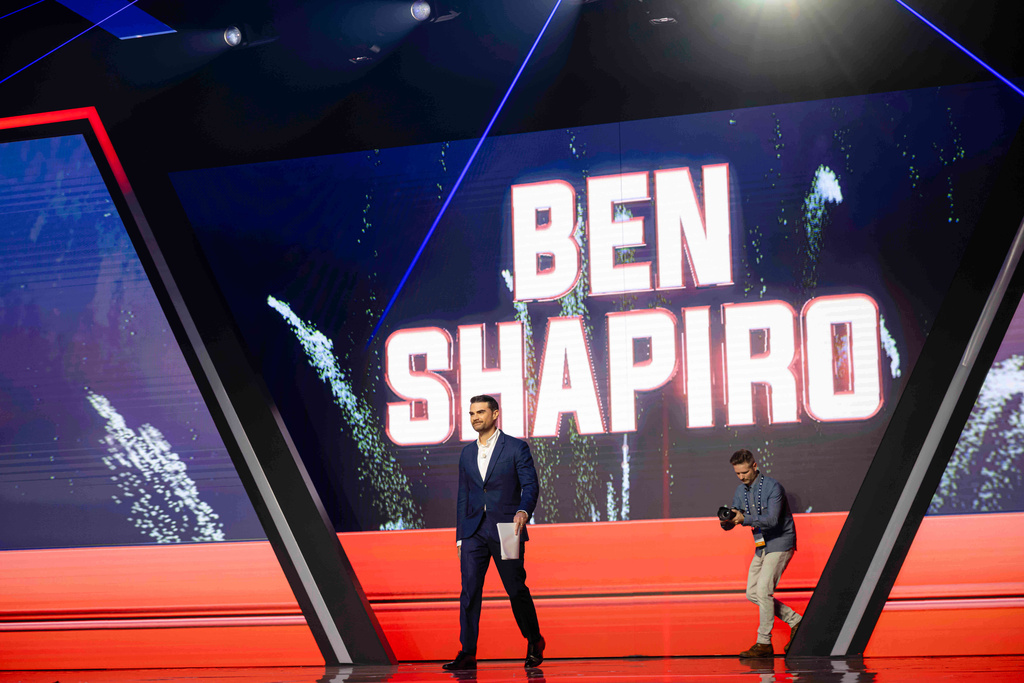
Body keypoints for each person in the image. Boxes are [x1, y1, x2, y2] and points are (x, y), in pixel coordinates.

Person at [443, 395, 545, 671]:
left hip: (508, 528)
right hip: (473, 532)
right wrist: (460, 536)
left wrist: (523, 511)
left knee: (515, 589)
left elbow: (530, 485)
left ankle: (534, 640)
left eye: (480, 412)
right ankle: (468, 652)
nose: (475, 417)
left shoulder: (515, 447)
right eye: (471, 413)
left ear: (495, 414)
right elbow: (463, 496)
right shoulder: (467, 453)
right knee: (469, 591)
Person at [720, 448, 802, 658]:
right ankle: (796, 621)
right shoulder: (740, 491)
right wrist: (728, 521)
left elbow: (773, 520)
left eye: (745, 472)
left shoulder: (773, 487)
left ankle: (764, 643)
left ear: (755, 466)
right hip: (762, 545)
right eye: (738, 473)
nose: (741, 477)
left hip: (781, 541)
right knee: (752, 593)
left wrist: (744, 519)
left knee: (763, 590)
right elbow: (736, 516)